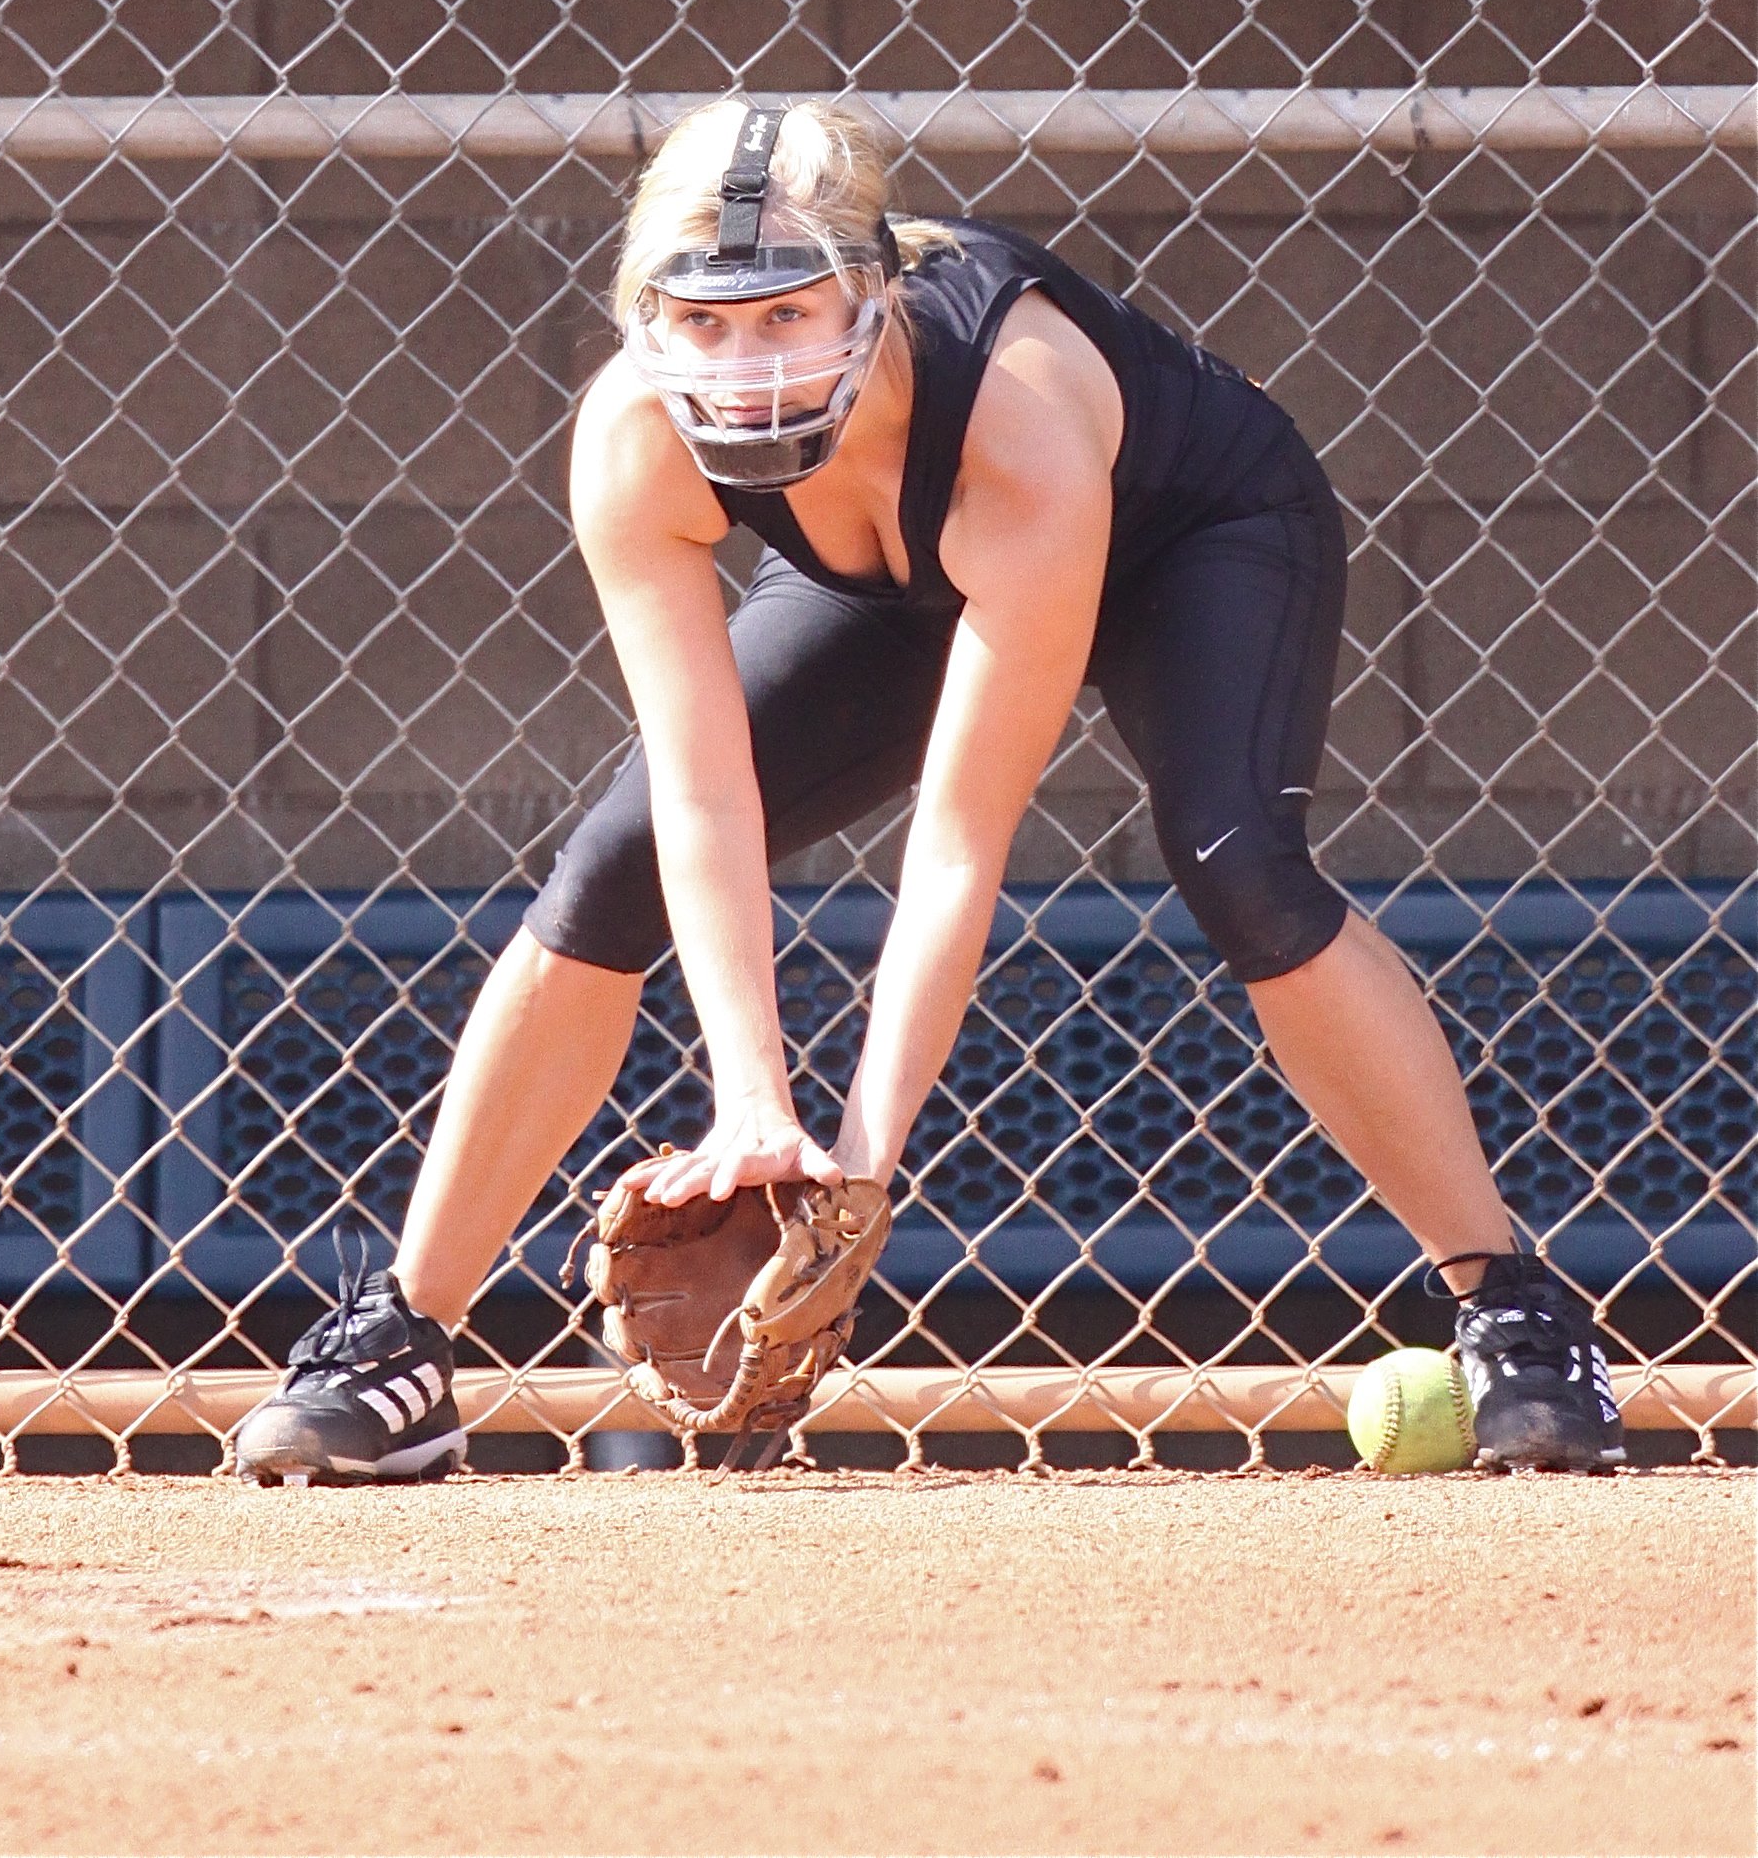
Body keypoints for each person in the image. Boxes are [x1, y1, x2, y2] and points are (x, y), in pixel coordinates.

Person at [231, 98, 1624, 1484]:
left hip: (1185, 532)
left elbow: (956, 844)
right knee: (612, 862)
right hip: (900, 576)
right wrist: (753, 1106)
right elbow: (703, 797)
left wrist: (859, 1164)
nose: (745, 366)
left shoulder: (1014, 413)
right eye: (702, 320)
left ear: (873, 291)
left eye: (787, 314)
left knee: (1239, 864)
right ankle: (397, 1344)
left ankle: (1514, 1309)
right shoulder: (633, 434)